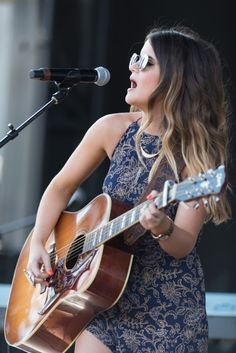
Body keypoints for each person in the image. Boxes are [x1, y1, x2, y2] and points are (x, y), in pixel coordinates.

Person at [27, 25, 231, 353]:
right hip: (101, 302)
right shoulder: (111, 129)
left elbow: (182, 245)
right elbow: (60, 186)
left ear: (174, 79)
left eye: (146, 63)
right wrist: (38, 241)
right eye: (136, 59)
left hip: (168, 315)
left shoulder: (196, 154)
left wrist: (162, 227)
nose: (132, 67)